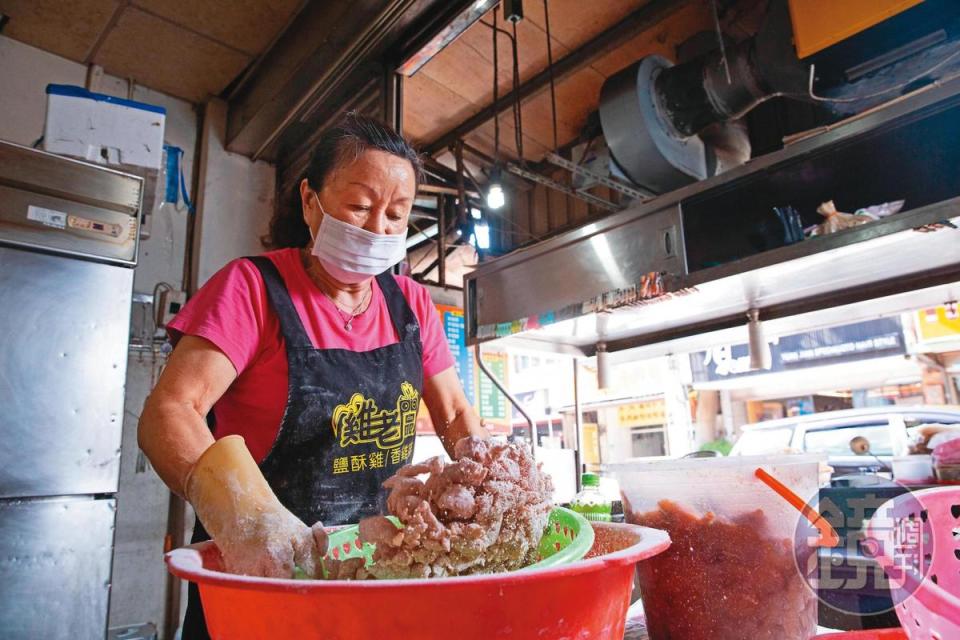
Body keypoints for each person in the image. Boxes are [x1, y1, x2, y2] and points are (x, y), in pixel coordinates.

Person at [138, 113, 487, 638]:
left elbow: (457, 412)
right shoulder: (252, 289)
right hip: (258, 576)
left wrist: (492, 483)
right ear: (310, 201)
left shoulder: (412, 304)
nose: (378, 229)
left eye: (396, 214)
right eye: (360, 207)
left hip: (374, 571)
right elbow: (170, 412)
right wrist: (248, 522)